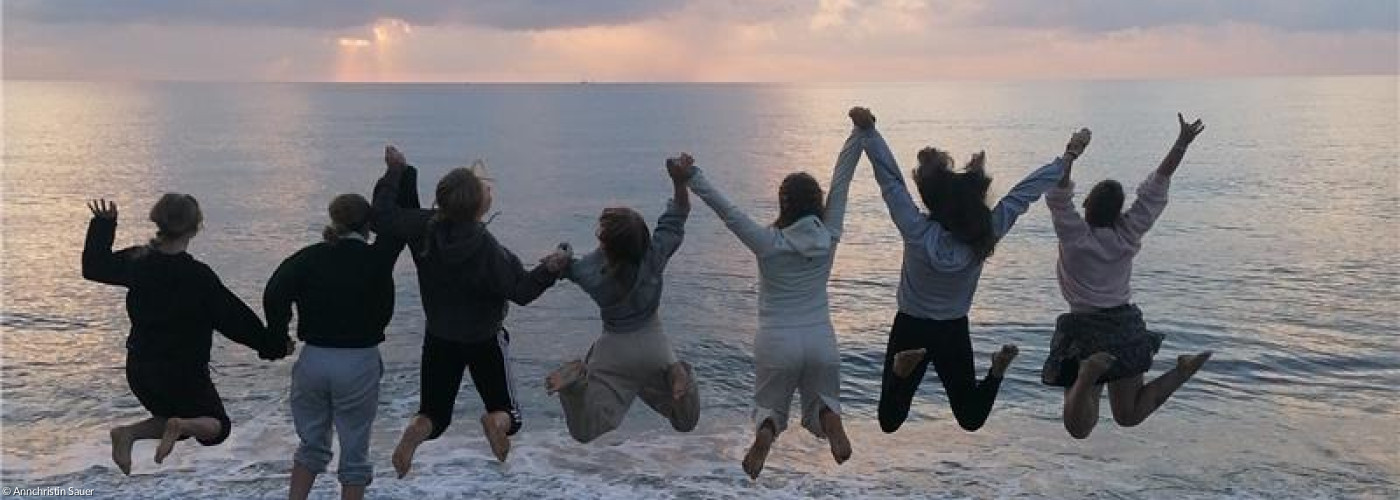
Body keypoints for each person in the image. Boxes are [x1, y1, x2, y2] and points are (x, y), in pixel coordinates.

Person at [860, 109, 1090, 434]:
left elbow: (891, 184)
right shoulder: (985, 233)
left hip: (910, 326)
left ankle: (901, 372)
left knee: (889, 420)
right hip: (952, 330)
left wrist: (869, 132)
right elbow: (1024, 193)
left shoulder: (917, 230)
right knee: (970, 418)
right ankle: (996, 370)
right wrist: (1070, 154)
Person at [680, 108, 868, 479]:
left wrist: (693, 176)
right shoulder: (828, 238)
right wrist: (858, 134)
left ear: (783, 204)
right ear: (817, 203)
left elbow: (728, 212)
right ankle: (830, 421)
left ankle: (765, 435)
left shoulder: (768, 243)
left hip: (777, 340)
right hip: (820, 339)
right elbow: (842, 182)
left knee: (769, 408)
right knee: (823, 403)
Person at [371, 146, 571, 475]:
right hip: (484, 339)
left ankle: (415, 433)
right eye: (485, 189)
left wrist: (396, 171)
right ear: (480, 205)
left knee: (434, 413)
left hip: (439, 336)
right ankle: (495, 422)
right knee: (509, 413)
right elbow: (521, 291)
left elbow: (382, 216)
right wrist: (550, 269)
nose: (489, 190)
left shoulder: (423, 228)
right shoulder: (488, 249)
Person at [82, 194, 293, 476]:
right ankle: (172, 427)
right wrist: (274, 345)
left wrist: (103, 224)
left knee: (174, 420)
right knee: (216, 427)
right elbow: (236, 321)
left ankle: (128, 434)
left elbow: (94, 267)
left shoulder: (138, 261)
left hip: (140, 369)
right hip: (182, 370)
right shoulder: (198, 277)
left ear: (158, 221)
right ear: (195, 229)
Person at [1043, 113, 1212, 439]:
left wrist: (1071, 152)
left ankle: (1087, 375)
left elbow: (1058, 192)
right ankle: (1182, 371)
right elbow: (1155, 190)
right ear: (1119, 212)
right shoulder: (1128, 234)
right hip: (1124, 326)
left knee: (1079, 427)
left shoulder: (1074, 236)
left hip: (1084, 327)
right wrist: (1182, 143)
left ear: (1088, 204)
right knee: (1128, 414)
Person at [264, 161, 420, 499]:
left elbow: (274, 291)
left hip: (314, 359)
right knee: (354, 454)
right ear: (369, 225)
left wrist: (279, 335)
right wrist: (399, 173)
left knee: (311, 446)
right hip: (358, 360)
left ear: (333, 221)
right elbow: (401, 218)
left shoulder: (309, 258)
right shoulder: (379, 256)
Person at [543, 154, 700, 444]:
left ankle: (575, 386)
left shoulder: (591, 273)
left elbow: (566, 266)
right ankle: (679, 376)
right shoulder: (655, 255)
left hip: (613, 349)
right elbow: (678, 214)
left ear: (606, 244)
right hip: (656, 346)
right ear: (643, 236)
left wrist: (561, 253)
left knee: (586, 430)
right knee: (685, 421)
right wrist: (679, 182)